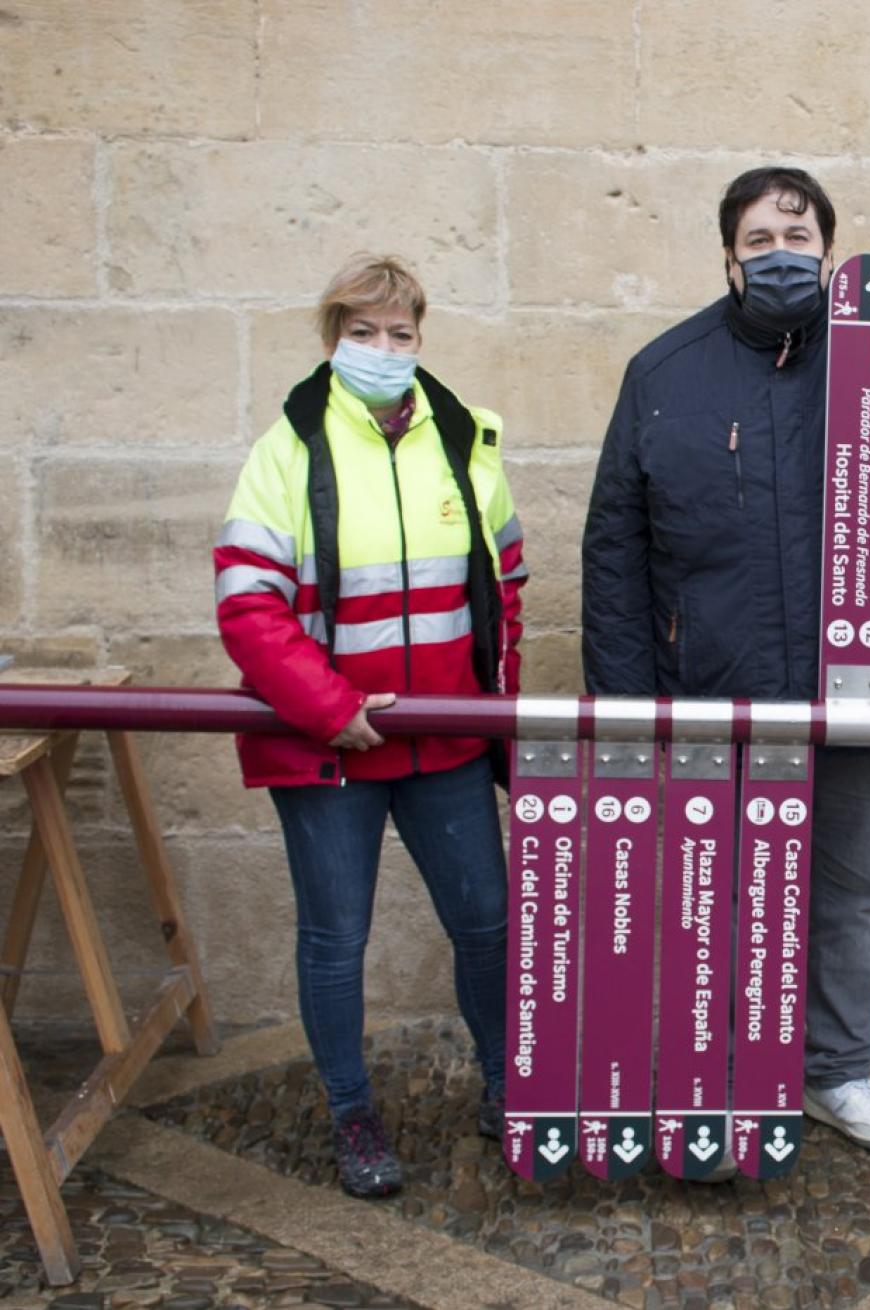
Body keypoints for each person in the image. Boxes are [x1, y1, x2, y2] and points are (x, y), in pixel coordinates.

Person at [582, 166, 870, 1156]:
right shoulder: (664, 374)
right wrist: (632, 708)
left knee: (850, 893)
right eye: (759, 241)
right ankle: (724, 1081)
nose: (780, 255)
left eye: (798, 237)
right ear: (727, 256)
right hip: (719, 691)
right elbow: (614, 550)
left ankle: (836, 1071)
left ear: (833, 252)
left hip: (863, 694)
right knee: (720, 895)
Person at [214, 254, 526, 1199]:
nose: (384, 350)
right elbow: (246, 604)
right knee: (333, 940)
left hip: (448, 746)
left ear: (420, 340)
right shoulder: (287, 451)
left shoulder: (466, 440)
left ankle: (507, 1086)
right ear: (331, 339)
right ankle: (352, 1113)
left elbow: (504, 585)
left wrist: (490, 704)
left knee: (487, 926)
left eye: (401, 334)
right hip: (331, 751)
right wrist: (330, 708)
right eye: (363, 332)